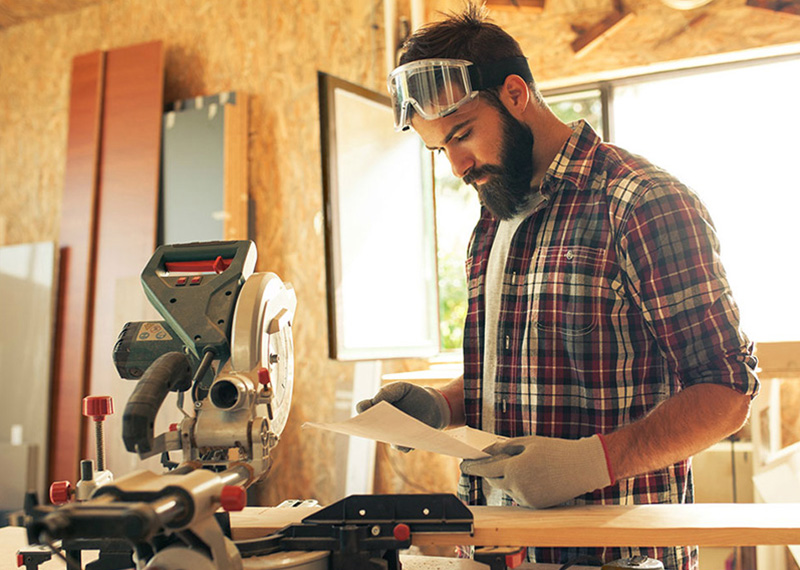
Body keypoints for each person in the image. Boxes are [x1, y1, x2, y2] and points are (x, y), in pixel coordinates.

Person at [356, 5, 759, 569]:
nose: (457, 166)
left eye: (462, 134)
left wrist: (594, 462)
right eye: (438, 149)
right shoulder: (494, 218)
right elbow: (529, 365)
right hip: (498, 546)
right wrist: (440, 405)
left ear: (516, 93)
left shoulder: (642, 204)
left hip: (617, 553)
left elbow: (726, 393)